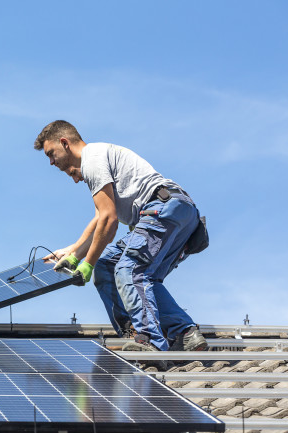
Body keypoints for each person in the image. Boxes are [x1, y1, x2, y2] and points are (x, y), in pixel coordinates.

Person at [34, 120, 207, 352]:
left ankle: (148, 340)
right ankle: (185, 333)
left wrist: (86, 265)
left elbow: (109, 221)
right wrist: (73, 251)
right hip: (179, 212)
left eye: (51, 154)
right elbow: (99, 220)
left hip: (160, 210)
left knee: (129, 269)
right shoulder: (100, 157)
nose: (52, 162)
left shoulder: (91, 159)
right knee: (109, 266)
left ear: (64, 143)